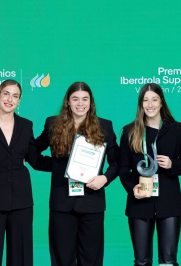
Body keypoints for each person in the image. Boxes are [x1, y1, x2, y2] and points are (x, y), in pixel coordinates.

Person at [35, 82, 119, 266]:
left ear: (91, 102)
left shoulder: (104, 126)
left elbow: (117, 161)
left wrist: (104, 178)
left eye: (85, 99)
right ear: (68, 102)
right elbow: (33, 152)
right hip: (61, 203)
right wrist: (59, 168)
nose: (80, 103)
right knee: (61, 260)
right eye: (75, 99)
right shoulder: (53, 124)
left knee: (91, 260)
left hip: (92, 201)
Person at [119, 83, 181, 266]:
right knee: (142, 261)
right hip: (139, 203)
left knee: (168, 261)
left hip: (169, 204)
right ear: (140, 104)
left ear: (161, 102)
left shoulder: (177, 130)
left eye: (154, 99)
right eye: (145, 100)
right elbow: (122, 168)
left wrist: (172, 164)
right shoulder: (129, 132)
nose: (150, 105)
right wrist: (132, 188)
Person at [0, 79, 51, 266]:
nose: (9, 99)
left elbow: (35, 160)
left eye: (15, 96)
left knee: (21, 257)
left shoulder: (25, 125)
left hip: (21, 201)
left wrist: (66, 164)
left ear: (19, 100)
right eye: (6, 93)